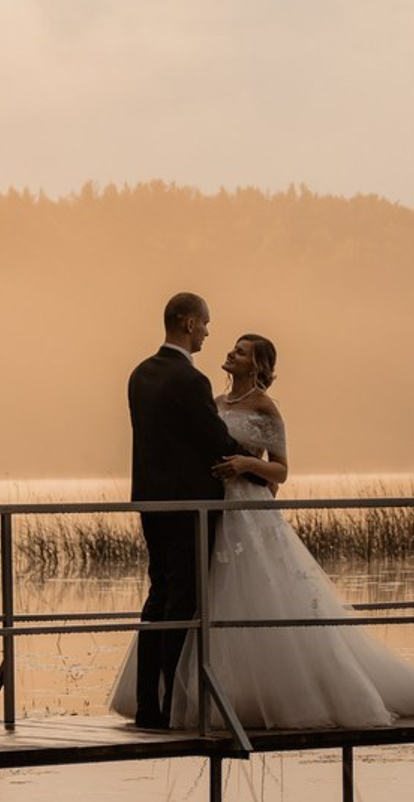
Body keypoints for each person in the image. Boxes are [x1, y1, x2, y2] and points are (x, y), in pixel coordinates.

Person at [113, 330, 414, 729]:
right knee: (206, 596)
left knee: (256, 596)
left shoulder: (265, 408)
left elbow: (280, 470)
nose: (230, 353)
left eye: (241, 352)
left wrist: (246, 465)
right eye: (233, 348)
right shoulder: (216, 402)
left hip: (248, 510)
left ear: (257, 365)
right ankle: (196, 693)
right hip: (215, 509)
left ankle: (270, 693)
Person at [127, 292, 265, 728]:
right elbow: (213, 439)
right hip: (189, 506)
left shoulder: (140, 374)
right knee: (183, 603)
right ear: (189, 323)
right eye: (205, 323)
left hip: (150, 502)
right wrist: (255, 467)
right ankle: (172, 704)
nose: (207, 332)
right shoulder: (190, 380)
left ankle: (148, 703)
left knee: (158, 597)